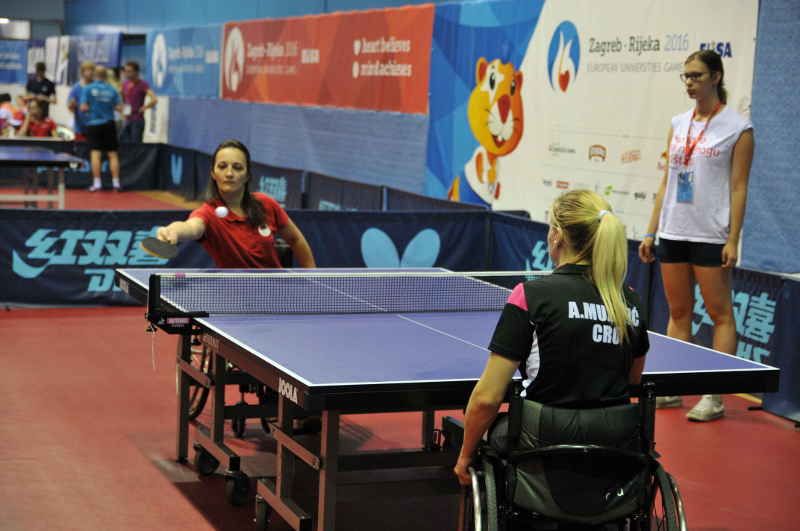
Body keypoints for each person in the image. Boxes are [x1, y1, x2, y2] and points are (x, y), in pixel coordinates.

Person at [454, 190, 649, 486]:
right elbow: (633, 378)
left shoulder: (531, 297)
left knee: (496, 424)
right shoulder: (630, 302)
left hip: (541, 442)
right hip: (615, 446)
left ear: (557, 236)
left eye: (549, 227)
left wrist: (465, 457)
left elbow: (486, 399)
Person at [639, 50, 754, 422]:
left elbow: (739, 188)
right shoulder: (678, 122)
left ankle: (714, 396)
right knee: (677, 312)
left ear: (716, 78)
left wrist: (733, 238)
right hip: (674, 230)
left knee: (720, 314)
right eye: (685, 76)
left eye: (697, 76)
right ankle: (672, 390)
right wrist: (651, 232)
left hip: (711, 233)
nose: (689, 82)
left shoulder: (739, 128)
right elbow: (666, 181)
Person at [155, 139, 316, 269]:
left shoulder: (265, 204)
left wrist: (313, 277)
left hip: (276, 291)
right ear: (213, 173)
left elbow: (296, 239)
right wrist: (170, 232)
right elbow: (190, 227)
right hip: (237, 296)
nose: (229, 173)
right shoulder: (209, 214)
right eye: (222, 167)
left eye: (237, 168)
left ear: (247, 176)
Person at [80, 66, 123, 192]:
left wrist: (91, 108)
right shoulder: (113, 90)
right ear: (106, 76)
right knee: (113, 154)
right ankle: (116, 183)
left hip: (93, 124)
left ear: (94, 74)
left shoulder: (88, 89)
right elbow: (119, 108)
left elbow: (82, 108)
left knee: (95, 154)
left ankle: (97, 183)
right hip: (109, 124)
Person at [119, 61, 157, 143]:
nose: (127, 74)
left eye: (130, 71)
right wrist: (122, 107)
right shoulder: (125, 84)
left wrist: (144, 108)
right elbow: (120, 94)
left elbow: (154, 99)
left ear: (136, 71)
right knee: (123, 141)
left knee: (135, 144)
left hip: (137, 119)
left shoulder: (142, 84)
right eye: (126, 71)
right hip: (127, 118)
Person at [68, 62, 94, 141]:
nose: (90, 72)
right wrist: (72, 105)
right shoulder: (76, 87)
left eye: (92, 70)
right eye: (87, 70)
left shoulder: (96, 86)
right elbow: (70, 107)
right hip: (80, 128)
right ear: (82, 72)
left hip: (94, 127)